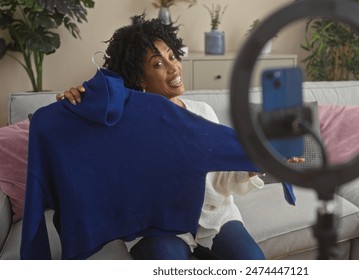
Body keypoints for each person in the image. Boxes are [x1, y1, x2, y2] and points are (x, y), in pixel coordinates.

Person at [57, 14, 274, 260]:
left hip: (213, 217)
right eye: (158, 64)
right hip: (156, 225)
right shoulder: (120, 122)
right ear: (139, 77)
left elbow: (222, 178)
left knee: (253, 261)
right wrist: (71, 108)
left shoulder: (202, 112)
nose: (173, 67)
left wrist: (253, 164)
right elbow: (82, 151)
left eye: (172, 57)